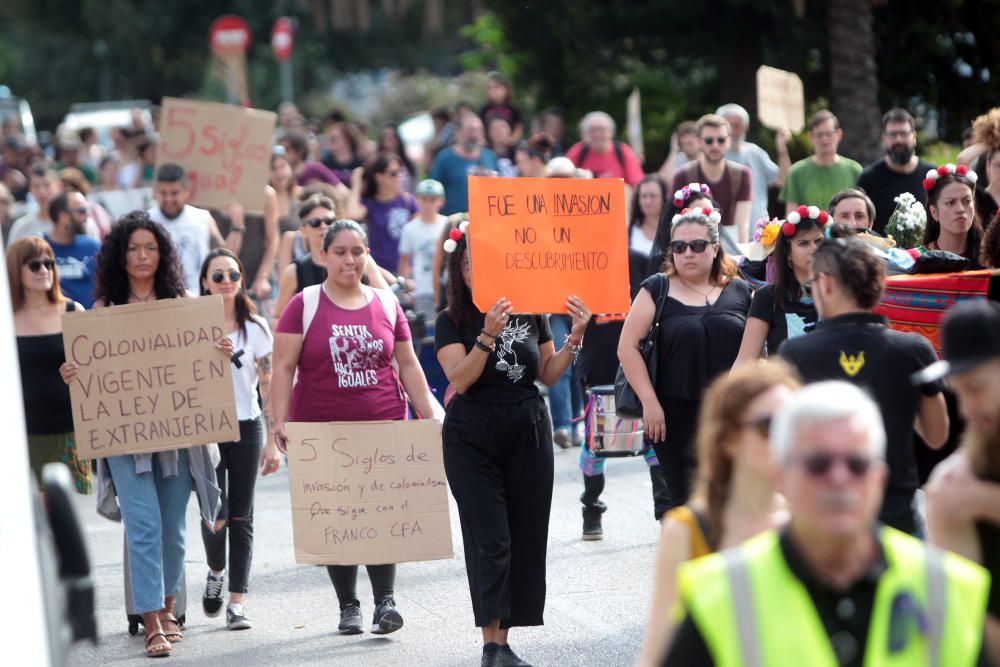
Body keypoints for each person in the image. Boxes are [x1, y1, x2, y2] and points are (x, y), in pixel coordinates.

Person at [664, 380, 989, 666]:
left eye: (857, 464)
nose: (838, 479)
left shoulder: (947, 586)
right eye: (818, 464)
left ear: (878, 480)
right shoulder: (720, 594)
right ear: (782, 477)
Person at [61, 212, 224, 658]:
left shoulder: (182, 302)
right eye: (133, 248)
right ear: (119, 255)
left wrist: (219, 351)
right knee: (144, 526)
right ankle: (150, 618)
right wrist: (74, 372)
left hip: (176, 438)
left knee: (172, 527)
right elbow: (90, 375)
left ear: (162, 253)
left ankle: (169, 607)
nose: (141, 256)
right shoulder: (103, 313)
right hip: (124, 439)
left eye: (150, 247)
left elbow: (204, 363)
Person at [272, 219, 439, 637]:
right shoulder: (304, 304)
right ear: (325, 255)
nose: (350, 259)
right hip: (321, 432)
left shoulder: (386, 304)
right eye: (341, 251)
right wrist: (278, 421)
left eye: (358, 251)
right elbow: (283, 366)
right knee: (336, 520)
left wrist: (429, 416)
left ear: (368, 255)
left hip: (382, 428)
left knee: (381, 517)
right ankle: (348, 606)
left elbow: (408, 364)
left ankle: (386, 601)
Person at [434, 224, 591, 667]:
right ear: (457, 272)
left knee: (522, 538)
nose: (476, 273)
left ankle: (504, 644)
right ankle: (490, 644)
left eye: (483, 265)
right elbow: (460, 380)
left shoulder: (531, 312)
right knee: (490, 538)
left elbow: (548, 372)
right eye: (467, 266)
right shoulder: (451, 320)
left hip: (527, 430)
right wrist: (486, 335)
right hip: (472, 436)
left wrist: (574, 337)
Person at [779, 238, 949, 534]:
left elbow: (783, 443)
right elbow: (936, 436)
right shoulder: (914, 349)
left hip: (821, 513)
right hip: (895, 513)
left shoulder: (795, 353)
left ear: (825, 284)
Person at [636, 361, 800, 667]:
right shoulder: (687, 530)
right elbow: (657, 650)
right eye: (769, 426)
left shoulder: (806, 520)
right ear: (729, 439)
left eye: (794, 424)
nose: (784, 439)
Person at [618, 207, 752, 509]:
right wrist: (650, 403)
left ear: (715, 248)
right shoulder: (657, 288)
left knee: (731, 500)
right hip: (673, 415)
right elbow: (627, 347)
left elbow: (759, 353)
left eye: (697, 245)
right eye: (679, 246)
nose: (688, 252)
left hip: (728, 413)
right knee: (686, 503)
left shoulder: (741, 291)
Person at [195, 249, 279, 631]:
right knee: (216, 515)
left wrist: (273, 440)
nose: (226, 280)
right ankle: (216, 570)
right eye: (217, 275)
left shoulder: (255, 326)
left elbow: (269, 382)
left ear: (242, 279)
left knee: (241, 516)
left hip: (246, 425)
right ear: (204, 283)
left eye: (233, 273)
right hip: (206, 427)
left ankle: (237, 602)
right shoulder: (190, 327)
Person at [920, 300, 1000, 663]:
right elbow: (966, 622)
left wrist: (984, 502)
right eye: (959, 391)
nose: (966, 409)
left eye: (977, 387)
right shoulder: (954, 484)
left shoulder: (966, 492)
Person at [575, 246, 670, 541]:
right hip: (599, 370)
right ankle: (592, 509)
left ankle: (666, 514)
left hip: (640, 369)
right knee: (597, 445)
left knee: (654, 441)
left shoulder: (640, 262)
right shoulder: (582, 265)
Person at [9, 237, 91, 493]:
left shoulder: (72, 311)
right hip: (22, 433)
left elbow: (99, 367)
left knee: (67, 511)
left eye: (49, 264)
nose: (44, 271)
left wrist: (80, 371)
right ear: (15, 270)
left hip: (70, 430)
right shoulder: (6, 320)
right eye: (35, 265)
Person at [733, 207, 828, 365]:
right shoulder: (768, 297)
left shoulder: (841, 294)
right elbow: (745, 361)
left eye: (819, 241)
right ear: (788, 254)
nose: (814, 249)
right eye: (804, 243)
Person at [669, 115, 753, 252]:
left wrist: (738, 259)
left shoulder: (742, 174)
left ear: (729, 141)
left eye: (721, 140)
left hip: (731, 247)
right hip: (692, 248)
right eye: (709, 141)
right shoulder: (682, 176)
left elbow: (742, 225)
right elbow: (674, 223)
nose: (715, 145)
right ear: (699, 142)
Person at [148, 163, 229, 293]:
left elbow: (223, 255)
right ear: (155, 191)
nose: (169, 199)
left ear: (186, 192)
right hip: (160, 299)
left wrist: (238, 226)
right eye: (163, 193)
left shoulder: (203, 218)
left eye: (174, 193)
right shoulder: (146, 221)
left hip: (200, 298)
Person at [856, 108, 937, 234]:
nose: (898, 140)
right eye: (893, 135)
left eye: (904, 134)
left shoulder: (932, 175)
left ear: (914, 136)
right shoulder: (869, 178)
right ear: (884, 138)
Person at [716, 103, 791, 225]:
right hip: (721, 232)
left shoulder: (755, 152)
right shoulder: (711, 156)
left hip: (757, 232)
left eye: (737, 125)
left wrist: (782, 147)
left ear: (746, 127)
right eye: (728, 125)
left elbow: (784, 180)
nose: (733, 130)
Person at [211, 190, 281, 319]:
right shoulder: (211, 192)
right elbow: (220, 252)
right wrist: (237, 224)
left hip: (257, 280)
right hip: (225, 280)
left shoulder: (265, 194)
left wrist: (262, 277)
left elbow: (273, 240)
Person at [780, 110, 863, 213]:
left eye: (828, 134)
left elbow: (862, 212)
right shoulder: (796, 172)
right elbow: (791, 216)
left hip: (846, 229)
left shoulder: (855, 170)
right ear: (810, 137)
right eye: (819, 134)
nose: (824, 139)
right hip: (809, 229)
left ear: (839, 135)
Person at [352, 152, 418, 273]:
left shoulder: (409, 202)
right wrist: (356, 183)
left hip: (407, 272)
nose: (399, 177)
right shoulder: (371, 204)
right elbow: (352, 214)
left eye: (400, 172)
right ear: (379, 177)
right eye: (393, 173)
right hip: (380, 272)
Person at [914, 163, 985, 268]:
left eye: (967, 201)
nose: (960, 209)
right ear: (934, 212)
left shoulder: (988, 258)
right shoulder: (917, 259)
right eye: (950, 203)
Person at [8, 164, 100, 242]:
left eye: (47, 185)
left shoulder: (81, 223)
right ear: (30, 190)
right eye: (36, 186)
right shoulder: (22, 228)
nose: (42, 191)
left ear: (59, 187)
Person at [398, 179, 447, 321]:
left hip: (446, 287)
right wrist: (405, 289)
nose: (428, 204)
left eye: (432, 199)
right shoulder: (410, 228)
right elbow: (404, 261)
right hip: (423, 289)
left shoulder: (447, 223)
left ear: (441, 201)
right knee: (428, 331)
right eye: (424, 199)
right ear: (417, 200)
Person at [429, 114, 499, 215]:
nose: (474, 134)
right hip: (453, 223)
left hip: (484, 221)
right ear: (458, 132)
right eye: (470, 130)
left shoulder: (490, 156)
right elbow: (434, 191)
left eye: (478, 130)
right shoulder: (444, 158)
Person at [44, 191, 100, 308]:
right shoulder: (39, 247)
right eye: (81, 211)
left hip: (89, 322)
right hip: (52, 322)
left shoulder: (93, 246)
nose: (86, 217)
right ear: (63, 216)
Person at [565, 111, 644, 186]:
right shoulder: (578, 151)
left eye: (602, 129)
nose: (597, 134)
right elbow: (562, 178)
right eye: (592, 130)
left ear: (611, 132)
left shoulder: (623, 151)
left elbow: (636, 184)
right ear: (585, 134)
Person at [480, 71, 524, 144]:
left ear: (506, 90)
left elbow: (518, 127)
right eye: (490, 88)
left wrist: (512, 139)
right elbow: (482, 128)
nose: (493, 91)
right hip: (491, 146)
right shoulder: (485, 110)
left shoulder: (513, 109)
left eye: (497, 87)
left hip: (509, 145)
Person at [629, 175, 667, 257]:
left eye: (653, 196)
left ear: (663, 198)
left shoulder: (672, 228)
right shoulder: (629, 229)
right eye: (643, 196)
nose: (648, 201)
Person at [376, 124, 415, 194]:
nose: (389, 138)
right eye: (386, 136)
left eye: (392, 136)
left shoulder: (408, 163)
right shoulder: (377, 162)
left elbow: (414, 185)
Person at [974, 146, 1000, 223]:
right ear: (988, 166)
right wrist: (990, 141)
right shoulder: (977, 195)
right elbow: (963, 159)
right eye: (999, 166)